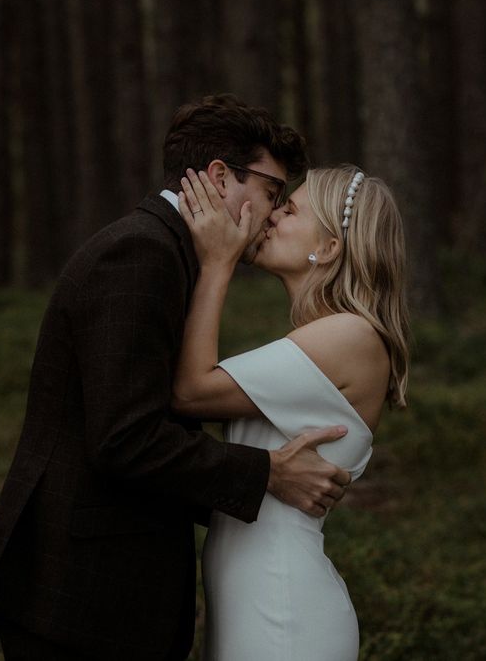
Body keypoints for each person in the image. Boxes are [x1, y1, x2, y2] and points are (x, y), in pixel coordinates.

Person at [0, 95, 354, 660]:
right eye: (272, 192)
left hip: (101, 587)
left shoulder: (168, 252)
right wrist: (268, 473)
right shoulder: (140, 253)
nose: (273, 213)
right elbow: (125, 437)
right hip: (78, 594)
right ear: (221, 176)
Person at [172, 165, 409, 660]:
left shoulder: (351, 334)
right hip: (254, 599)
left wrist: (217, 263)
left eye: (290, 208)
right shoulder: (321, 339)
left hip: (283, 609)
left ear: (326, 249)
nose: (271, 215)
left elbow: (192, 391)